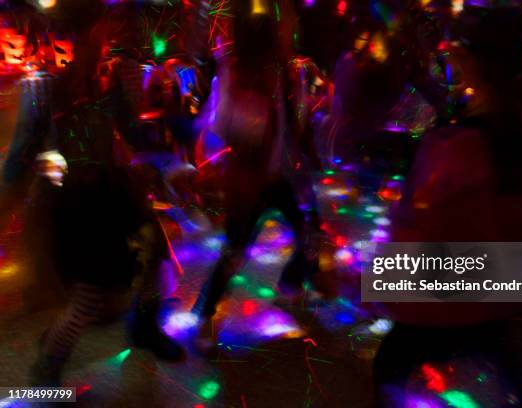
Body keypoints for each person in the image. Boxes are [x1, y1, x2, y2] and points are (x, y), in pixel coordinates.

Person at [374, 3, 522, 407]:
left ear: (466, 58)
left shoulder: (456, 147)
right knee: (505, 362)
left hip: (446, 298)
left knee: (389, 368)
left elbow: (417, 229)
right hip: (496, 291)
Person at [28, 1, 183, 386]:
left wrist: (161, 158)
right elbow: (48, 156)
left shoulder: (108, 77)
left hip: (117, 195)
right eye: (101, 29)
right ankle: (48, 367)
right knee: (89, 300)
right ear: (82, 37)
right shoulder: (55, 89)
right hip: (85, 211)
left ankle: (145, 330)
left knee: (158, 264)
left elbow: (129, 129)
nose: (109, 35)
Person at [192, 0, 331, 345]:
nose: (290, 31)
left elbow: (294, 120)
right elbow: (222, 127)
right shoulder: (238, 73)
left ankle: (291, 284)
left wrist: (306, 146)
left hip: (285, 175)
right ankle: (205, 313)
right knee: (234, 251)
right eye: (283, 27)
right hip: (250, 182)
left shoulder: (287, 69)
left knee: (310, 231)